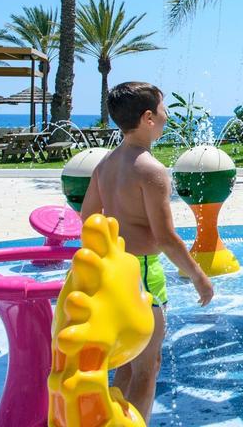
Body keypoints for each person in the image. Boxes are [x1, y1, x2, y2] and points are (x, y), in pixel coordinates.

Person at [81, 81, 214, 422]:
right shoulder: (151, 171)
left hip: (113, 271)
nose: (167, 116)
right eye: (163, 109)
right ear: (147, 118)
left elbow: (88, 220)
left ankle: (112, 420)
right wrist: (198, 276)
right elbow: (166, 237)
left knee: (125, 361)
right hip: (141, 272)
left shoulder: (106, 165)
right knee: (147, 365)